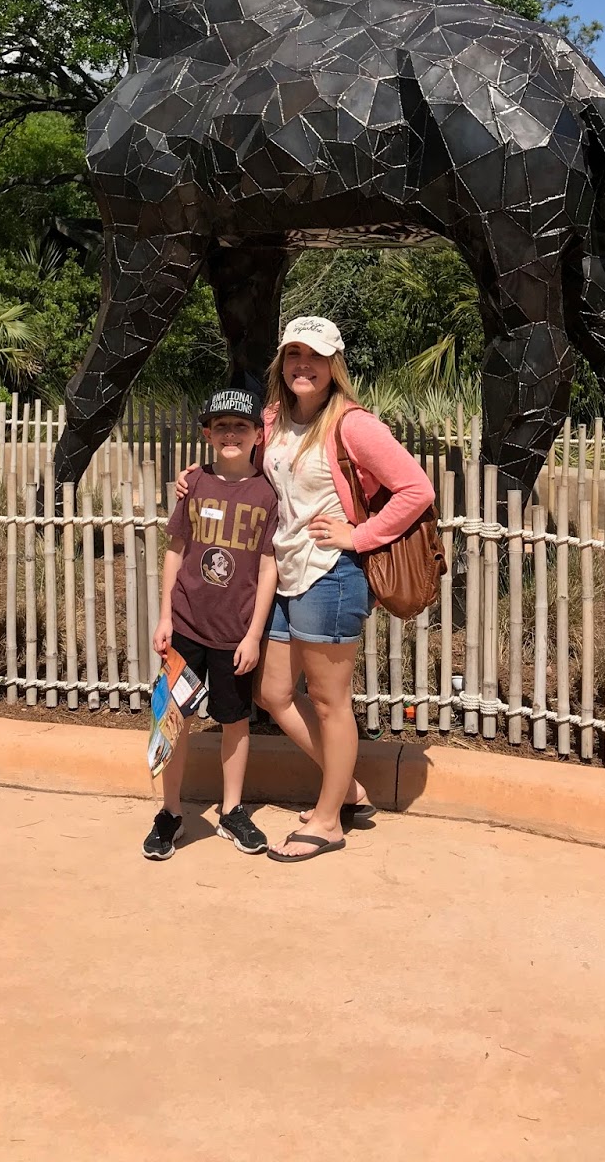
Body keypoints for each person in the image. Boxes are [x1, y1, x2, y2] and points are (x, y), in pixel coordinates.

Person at [258, 317, 434, 863]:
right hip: (285, 570)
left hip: (331, 573)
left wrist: (358, 536)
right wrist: (197, 478)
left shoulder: (353, 425)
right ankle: (347, 788)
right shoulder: (274, 419)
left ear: (334, 365)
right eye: (294, 355)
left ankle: (329, 819)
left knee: (329, 702)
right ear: (282, 363)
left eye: (315, 356)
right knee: (273, 692)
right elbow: (253, 471)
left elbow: (417, 489)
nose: (302, 366)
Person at [142, 387, 280, 861]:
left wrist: (254, 634)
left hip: (235, 631)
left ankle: (232, 810)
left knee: (235, 720)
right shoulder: (195, 483)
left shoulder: (268, 494)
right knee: (172, 719)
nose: (231, 434)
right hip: (186, 624)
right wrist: (165, 616)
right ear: (207, 433)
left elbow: (269, 565)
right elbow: (176, 551)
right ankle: (170, 811)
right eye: (221, 426)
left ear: (258, 434)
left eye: (241, 426)